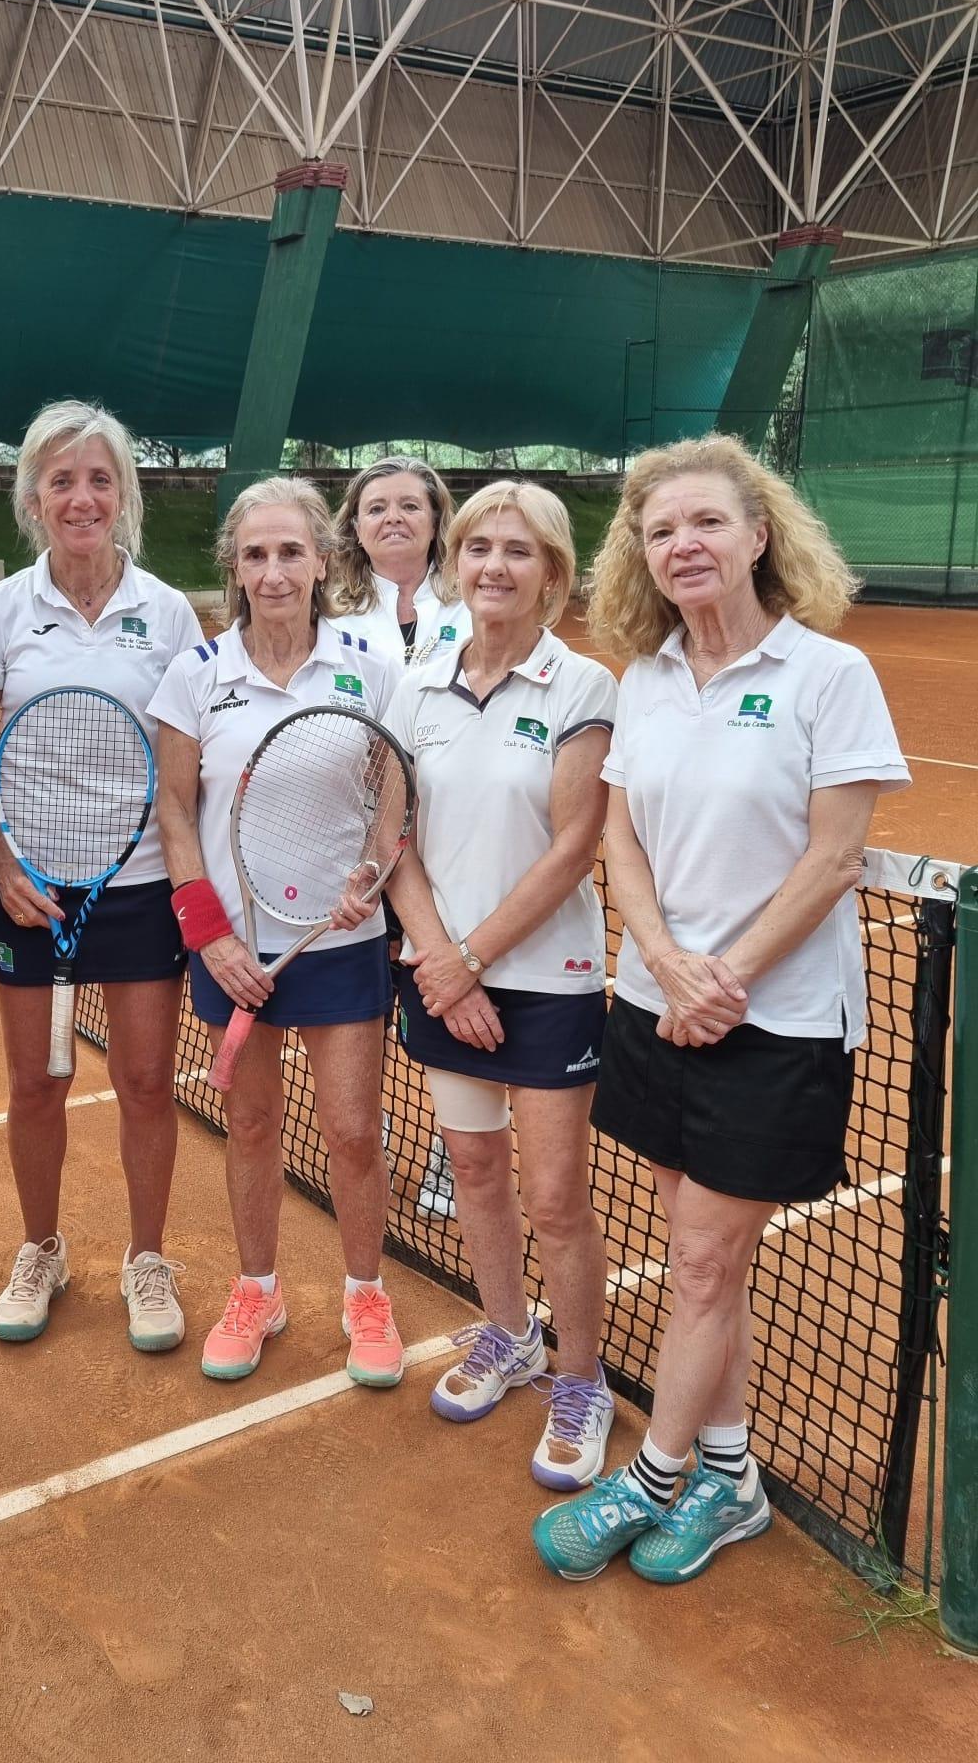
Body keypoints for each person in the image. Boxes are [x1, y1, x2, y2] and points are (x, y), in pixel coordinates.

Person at [533, 433, 909, 1584]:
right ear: (639, 558)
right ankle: (733, 1477)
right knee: (711, 1268)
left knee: (700, 1263)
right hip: (653, 1009)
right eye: (660, 531)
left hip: (777, 1025)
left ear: (759, 536)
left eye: (705, 523)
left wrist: (725, 975)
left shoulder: (828, 676)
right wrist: (662, 961)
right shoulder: (643, 681)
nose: (682, 545)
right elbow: (624, 842)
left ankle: (652, 1477)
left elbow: (836, 856)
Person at [383, 481, 616, 1488]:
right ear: (457, 559)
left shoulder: (583, 688)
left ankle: (581, 1379)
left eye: (519, 551)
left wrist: (468, 961)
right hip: (439, 973)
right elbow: (394, 839)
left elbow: (574, 847)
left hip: (547, 981)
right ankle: (509, 1333)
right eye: (479, 546)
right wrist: (441, 964)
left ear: (552, 572)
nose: (493, 566)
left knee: (557, 1197)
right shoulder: (415, 683)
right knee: (474, 1172)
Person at [151, 476, 406, 1386]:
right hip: (234, 946)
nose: (273, 571)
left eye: (290, 551)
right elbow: (175, 815)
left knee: (351, 1132)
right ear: (235, 566)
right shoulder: (196, 674)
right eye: (255, 554)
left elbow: (393, 797)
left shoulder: (371, 670)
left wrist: (371, 875)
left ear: (323, 563)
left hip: (339, 942)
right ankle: (258, 1287)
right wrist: (209, 935)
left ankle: (365, 1292)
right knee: (251, 1122)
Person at [0, 402, 203, 1354]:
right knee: (34, 1085)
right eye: (61, 480)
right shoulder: (0, 612)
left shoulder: (170, 614)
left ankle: (148, 1260)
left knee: (146, 1083)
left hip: (138, 884)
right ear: (33, 498)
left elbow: (183, 762)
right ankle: (42, 1250)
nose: (82, 497)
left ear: (124, 496)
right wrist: (5, 865)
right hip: (31, 889)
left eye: (99, 479)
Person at [330, 455, 472, 672]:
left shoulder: (470, 605)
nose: (393, 518)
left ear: (435, 523)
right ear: (357, 530)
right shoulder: (332, 616)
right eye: (376, 509)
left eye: (410, 506)